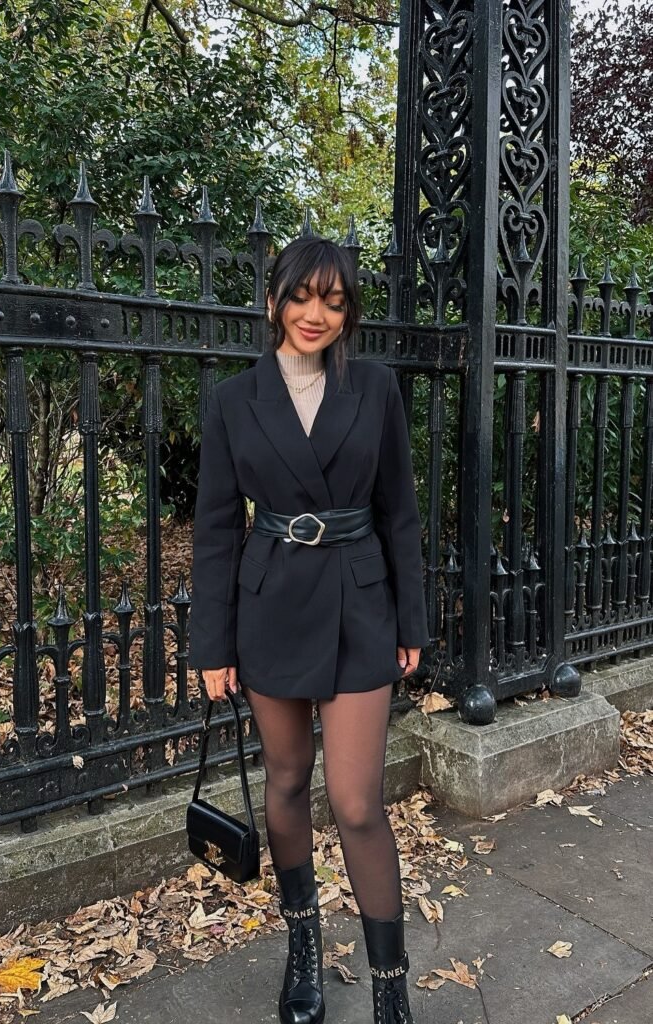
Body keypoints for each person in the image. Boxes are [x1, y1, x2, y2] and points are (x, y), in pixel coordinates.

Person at [188, 235, 429, 1024]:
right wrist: (211, 646)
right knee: (287, 780)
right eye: (300, 297)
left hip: (360, 605)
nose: (314, 314)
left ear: (348, 311)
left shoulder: (375, 388)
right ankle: (302, 948)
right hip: (270, 606)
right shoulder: (233, 400)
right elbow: (215, 530)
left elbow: (399, 511)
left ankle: (390, 990)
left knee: (356, 802)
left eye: (332, 300)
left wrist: (411, 619)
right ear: (273, 302)